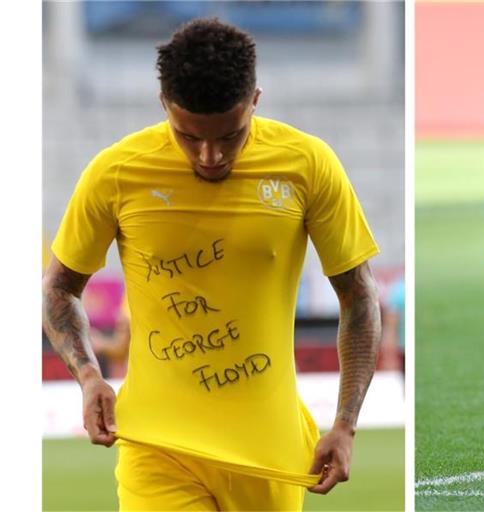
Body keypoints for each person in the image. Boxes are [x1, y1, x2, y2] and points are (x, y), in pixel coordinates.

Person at [42, 18, 381, 510]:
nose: (209, 155)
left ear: (255, 100)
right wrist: (89, 376)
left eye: (229, 136)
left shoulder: (308, 165)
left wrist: (346, 424)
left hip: (268, 452)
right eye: (189, 136)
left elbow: (358, 294)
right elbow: (59, 288)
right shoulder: (115, 173)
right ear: (164, 106)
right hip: (158, 448)